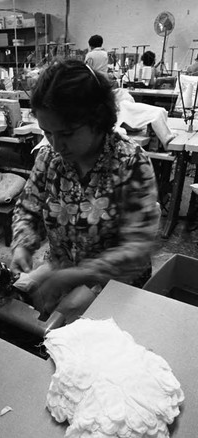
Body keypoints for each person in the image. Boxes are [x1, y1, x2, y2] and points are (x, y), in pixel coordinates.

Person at [10, 59, 160, 316]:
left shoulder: (130, 162)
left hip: (116, 278)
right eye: (47, 132)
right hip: (63, 266)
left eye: (67, 134)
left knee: (69, 315)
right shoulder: (49, 159)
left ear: (97, 119)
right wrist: (22, 244)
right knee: (18, 297)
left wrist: (79, 277)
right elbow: (28, 208)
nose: (56, 145)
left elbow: (137, 247)